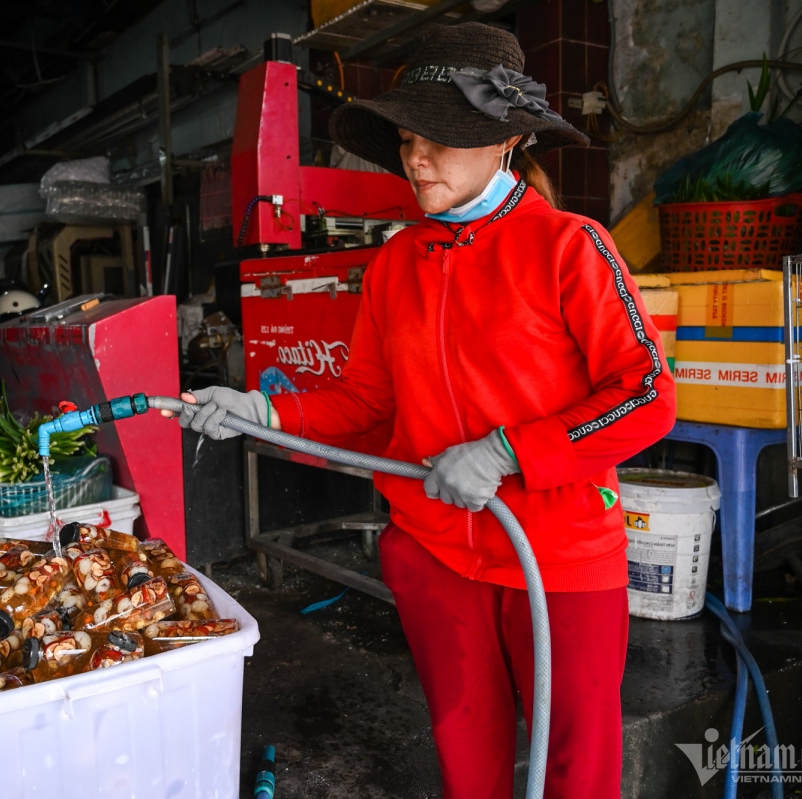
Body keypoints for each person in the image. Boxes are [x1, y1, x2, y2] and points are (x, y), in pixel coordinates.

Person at [168, 23, 676, 799]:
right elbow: (363, 403)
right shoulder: (396, 262)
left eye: (439, 137)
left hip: (558, 561)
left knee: (576, 770)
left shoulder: (570, 247)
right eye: (408, 138)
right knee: (466, 761)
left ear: (504, 141)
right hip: (437, 557)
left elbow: (646, 396)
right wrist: (261, 411)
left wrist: (507, 450)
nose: (416, 157)